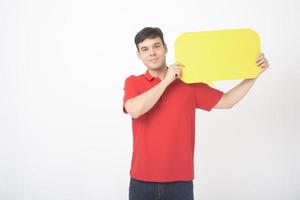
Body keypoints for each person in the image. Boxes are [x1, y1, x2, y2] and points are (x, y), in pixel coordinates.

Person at [122, 27, 269, 200]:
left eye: (156, 46)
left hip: (180, 181)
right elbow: (135, 110)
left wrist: (253, 75)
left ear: (166, 48)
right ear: (139, 55)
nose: (152, 53)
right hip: (142, 180)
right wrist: (167, 81)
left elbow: (228, 101)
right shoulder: (133, 82)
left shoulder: (188, 84)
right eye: (145, 49)